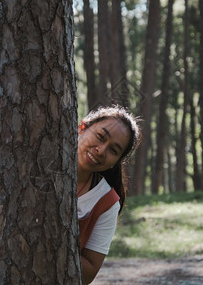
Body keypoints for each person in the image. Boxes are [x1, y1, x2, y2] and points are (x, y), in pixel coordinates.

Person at [77, 105, 142, 284]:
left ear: (116, 162)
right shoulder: (40, 161)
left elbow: (89, 272)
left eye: (113, 150)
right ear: (82, 127)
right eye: (100, 137)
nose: (101, 150)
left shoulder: (106, 202)